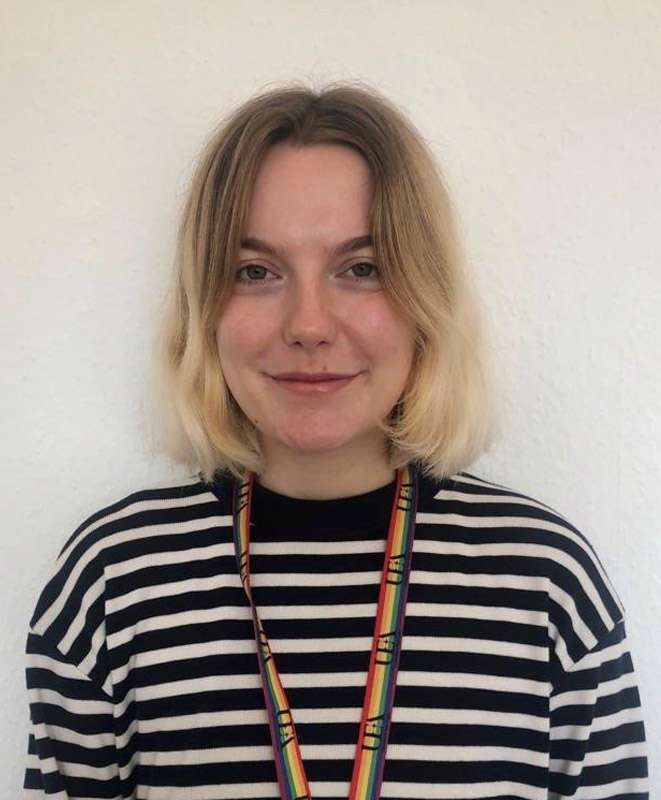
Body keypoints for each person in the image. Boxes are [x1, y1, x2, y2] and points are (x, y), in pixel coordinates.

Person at [23, 80, 649, 800]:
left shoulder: (542, 581)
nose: (309, 324)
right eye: (254, 271)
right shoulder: (113, 580)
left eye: (362, 268)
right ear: (206, 309)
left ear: (424, 295)